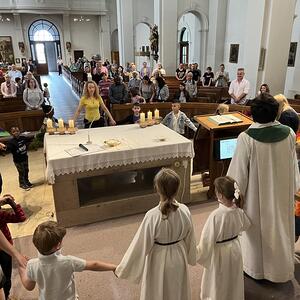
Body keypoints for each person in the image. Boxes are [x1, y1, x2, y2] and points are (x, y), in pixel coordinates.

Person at [227, 93, 300, 282]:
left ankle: (256, 269)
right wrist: (292, 189)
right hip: (282, 194)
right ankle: (280, 269)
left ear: (252, 114)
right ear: (276, 113)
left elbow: (237, 176)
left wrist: (235, 197)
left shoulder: (246, 138)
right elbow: (294, 168)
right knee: (281, 229)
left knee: (257, 232)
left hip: (256, 200)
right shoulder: (289, 134)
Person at [115, 168, 197, 300]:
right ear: (177, 188)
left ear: (157, 189)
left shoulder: (152, 215)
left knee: (158, 290)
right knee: (177, 290)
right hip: (178, 256)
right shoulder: (185, 210)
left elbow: (140, 245)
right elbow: (191, 238)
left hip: (159, 259)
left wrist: (124, 268)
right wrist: (192, 256)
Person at [18, 221, 116, 300]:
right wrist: (113, 267)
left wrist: (22, 269)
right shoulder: (68, 262)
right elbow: (94, 264)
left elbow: (29, 286)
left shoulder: (32, 264)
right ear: (58, 245)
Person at [197, 176, 250, 300]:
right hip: (235, 249)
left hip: (220, 253)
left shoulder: (216, 216)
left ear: (219, 195)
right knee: (233, 278)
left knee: (219, 280)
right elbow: (246, 225)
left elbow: (206, 240)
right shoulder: (239, 211)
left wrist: (196, 253)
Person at [0, 194, 26, 299]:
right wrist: (13, 204)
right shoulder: (1, 214)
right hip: (5, 250)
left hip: (5, 248)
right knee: (6, 275)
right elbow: (21, 217)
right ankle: (6, 296)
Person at [6, 126, 33, 190]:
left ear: (19, 131)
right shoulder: (11, 142)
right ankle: (22, 184)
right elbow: (8, 148)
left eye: (17, 131)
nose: (16, 133)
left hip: (25, 158)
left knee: (26, 170)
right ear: (11, 133)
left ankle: (27, 181)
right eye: (14, 132)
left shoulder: (23, 138)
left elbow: (30, 140)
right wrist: (5, 147)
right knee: (21, 172)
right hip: (18, 160)